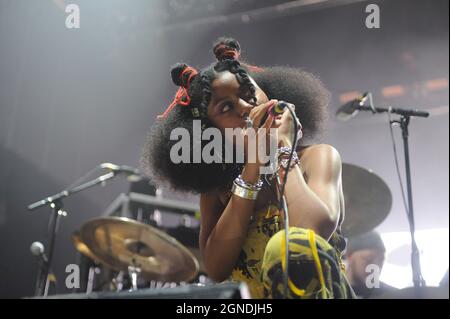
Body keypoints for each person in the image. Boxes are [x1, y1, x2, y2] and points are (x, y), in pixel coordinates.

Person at [142, 37, 355, 299]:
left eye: (248, 93)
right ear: (212, 132)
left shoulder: (319, 157)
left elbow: (309, 233)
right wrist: (254, 164)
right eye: (226, 107)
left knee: (282, 245)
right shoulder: (216, 192)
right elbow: (217, 268)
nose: (246, 107)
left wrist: (281, 149)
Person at [345, 231, 398, 298]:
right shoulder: (333, 291)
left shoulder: (393, 295)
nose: (376, 267)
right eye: (368, 259)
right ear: (349, 256)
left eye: (381, 260)